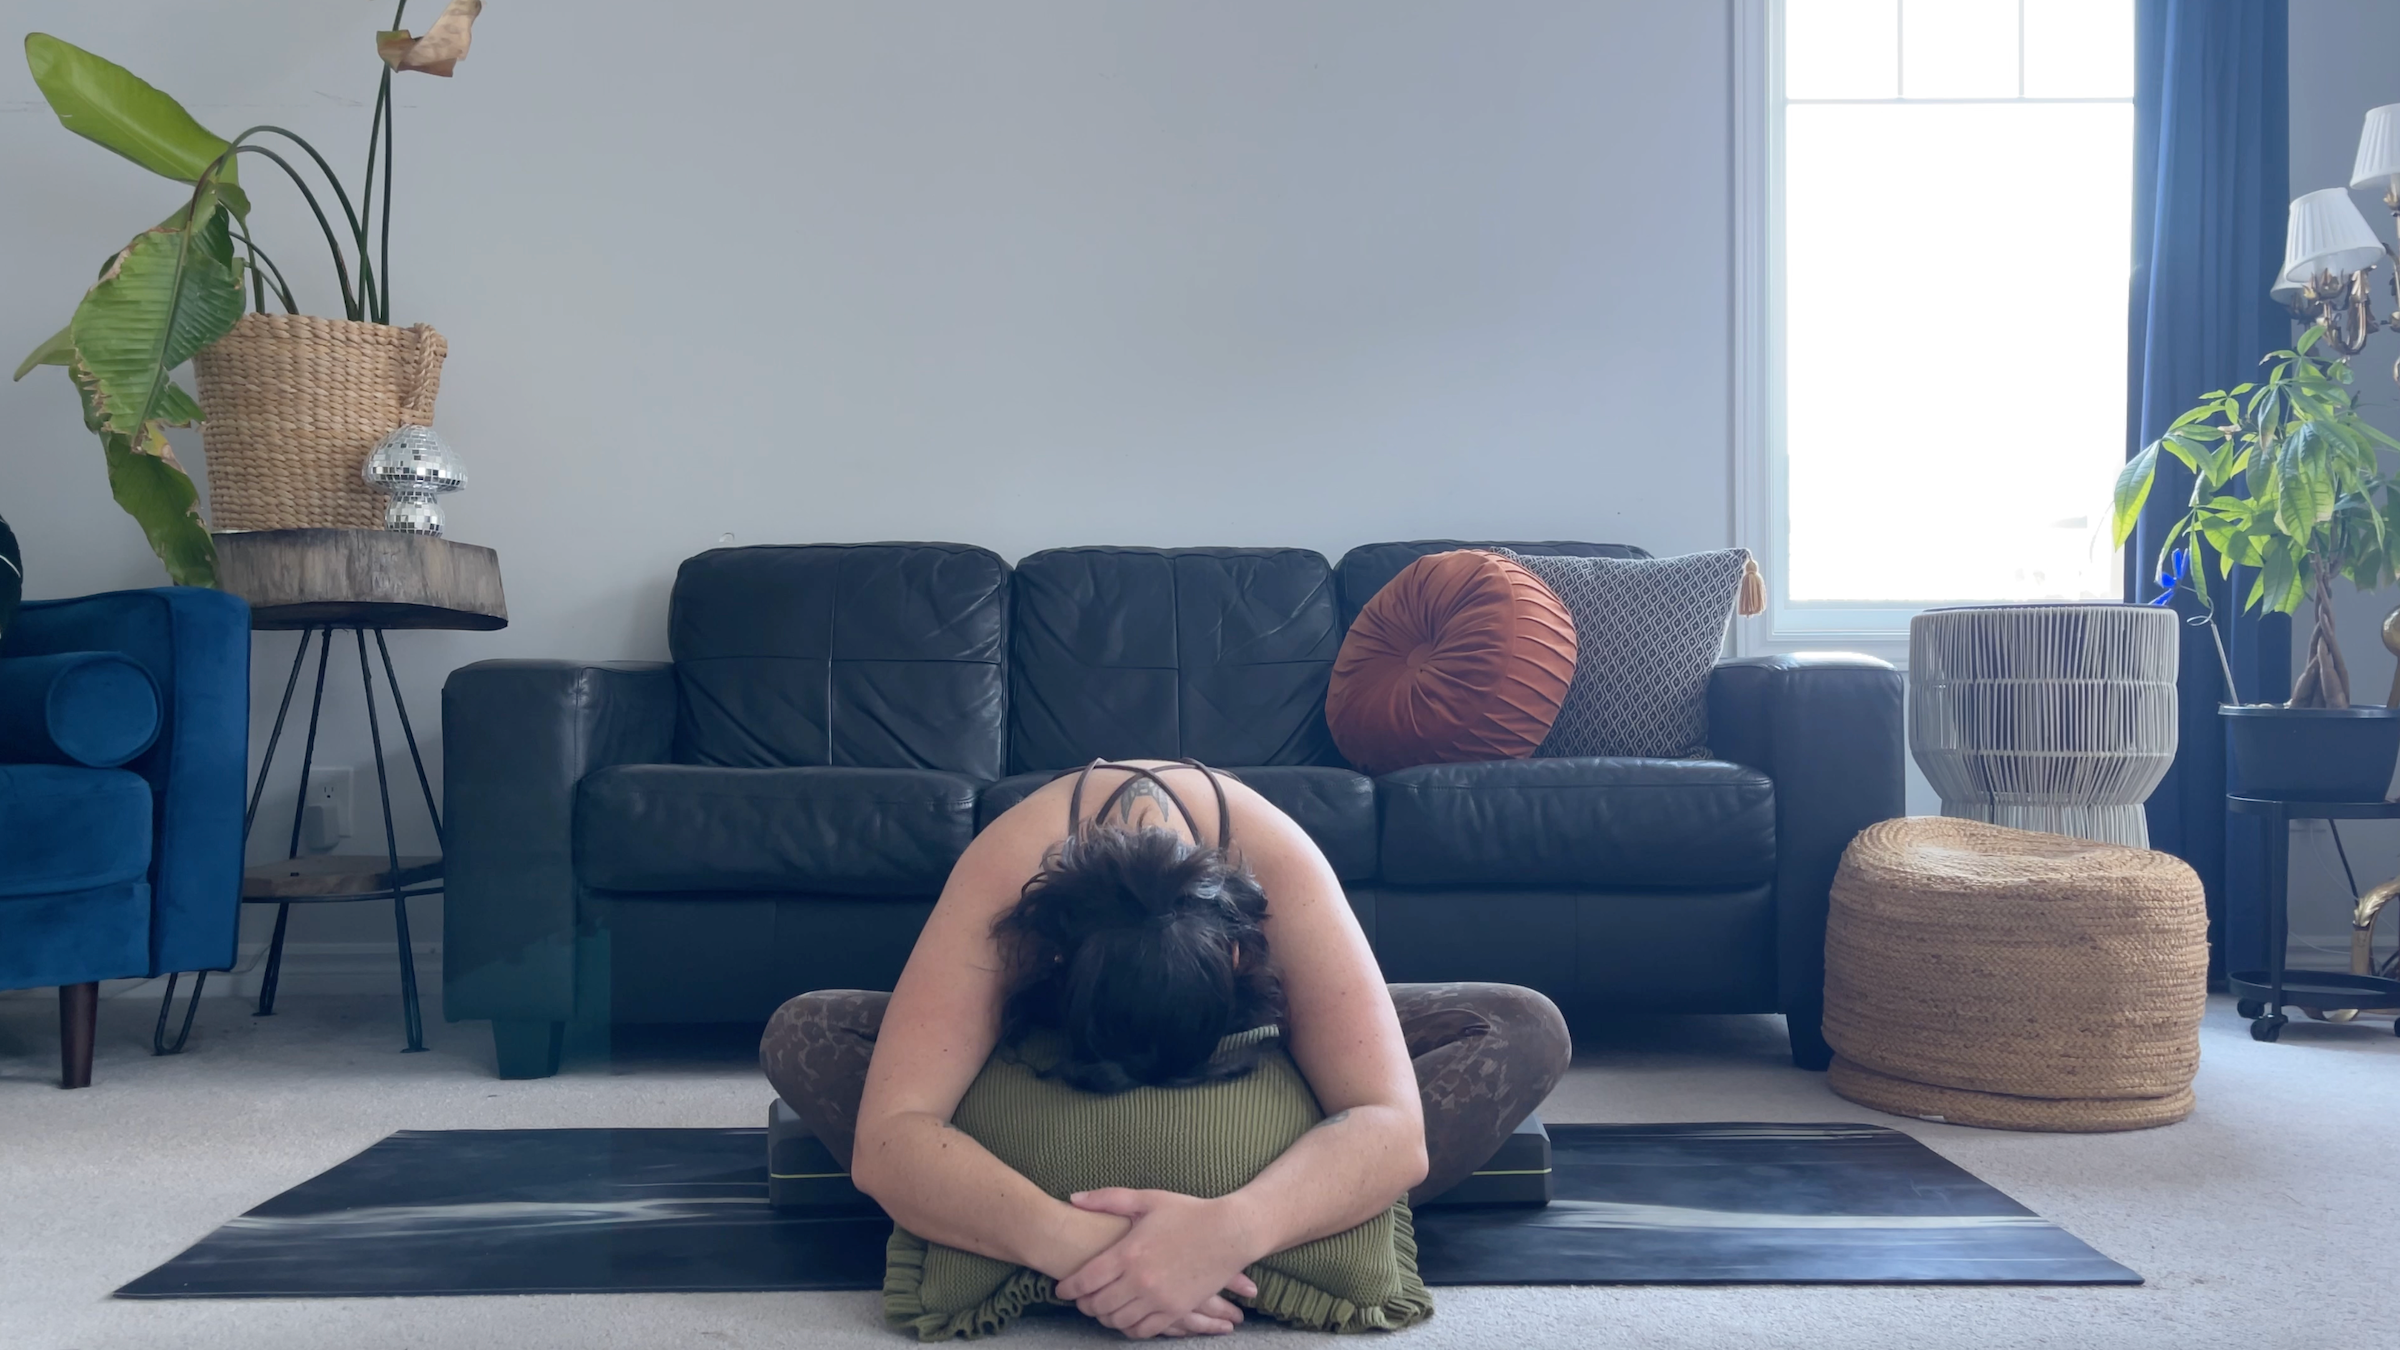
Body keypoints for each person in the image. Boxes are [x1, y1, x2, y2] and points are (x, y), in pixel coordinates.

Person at [761, 759, 1570, 1340]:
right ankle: (1273, 1228)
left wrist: (1232, 1232)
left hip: (1254, 1033)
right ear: (1046, 958)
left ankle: (1199, 1225)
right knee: (805, 1031)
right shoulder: (1009, 879)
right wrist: (1082, 1249)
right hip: (1047, 1032)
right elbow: (894, 1134)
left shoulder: (1279, 865)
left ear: (1241, 957)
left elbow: (1391, 1126)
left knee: (1522, 1027)